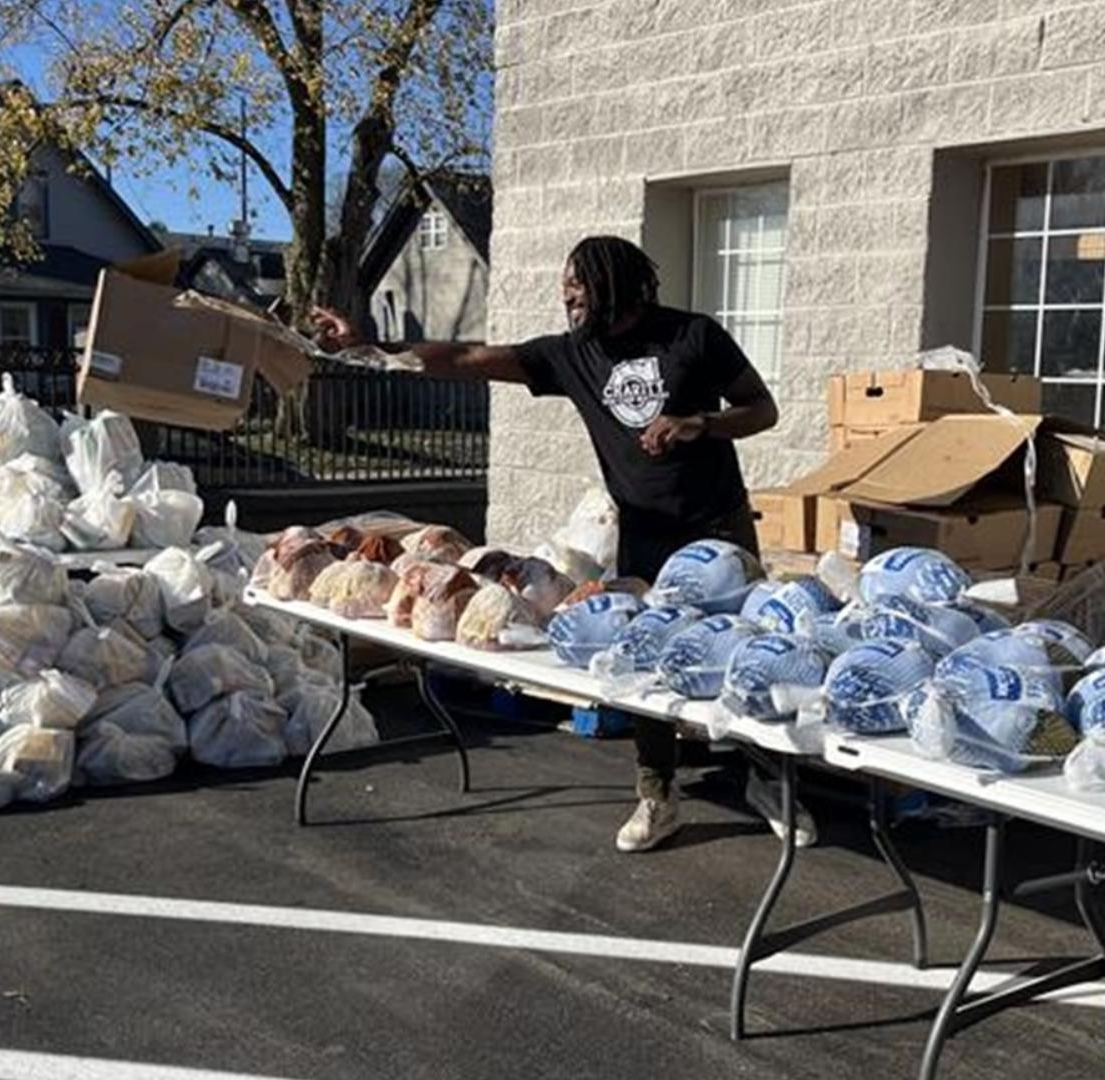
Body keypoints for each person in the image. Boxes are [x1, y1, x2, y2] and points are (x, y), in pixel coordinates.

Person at [311, 235, 789, 853]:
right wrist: (369, 347)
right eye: (567, 286)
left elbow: (763, 409)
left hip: (717, 528)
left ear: (618, 283)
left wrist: (702, 424)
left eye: (579, 284)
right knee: (644, 662)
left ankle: (768, 780)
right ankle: (657, 795)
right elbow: (468, 355)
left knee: (745, 654)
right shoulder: (573, 355)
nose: (567, 296)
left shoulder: (693, 336)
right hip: (644, 532)